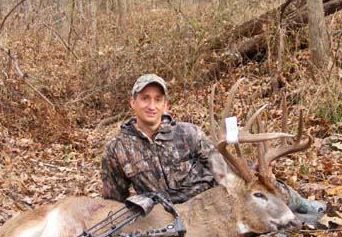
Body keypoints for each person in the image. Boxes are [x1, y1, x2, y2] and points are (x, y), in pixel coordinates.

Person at [101, 74, 325, 220]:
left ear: (165, 105)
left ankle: (300, 203)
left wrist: (253, 172)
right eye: (145, 99)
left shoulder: (188, 133)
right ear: (133, 103)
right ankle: (298, 221)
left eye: (157, 99)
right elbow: (114, 202)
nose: (151, 106)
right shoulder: (117, 148)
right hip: (173, 216)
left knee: (258, 189)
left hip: (214, 198)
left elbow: (221, 169)